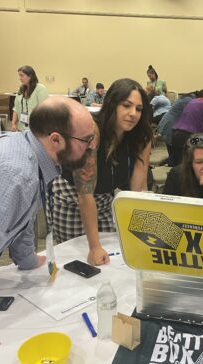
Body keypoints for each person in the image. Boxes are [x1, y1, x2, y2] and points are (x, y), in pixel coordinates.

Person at [51, 78, 152, 266]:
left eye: (138, 109)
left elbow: (138, 191)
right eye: (126, 105)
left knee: (110, 260)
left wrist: (145, 236)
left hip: (105, 202)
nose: (133, 114)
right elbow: (85, 193)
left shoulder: (141, 138)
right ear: (112, 104)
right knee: (80, 261)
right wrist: (94, 247)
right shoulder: (91, 131)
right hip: (73, 201)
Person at [0, 96, 95, 270]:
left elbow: (22, 218)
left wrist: (28, 260)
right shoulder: (19, 176)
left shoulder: (27, 150)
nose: (92, 147)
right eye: (86, 140)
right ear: (56, 140)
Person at [11, 65, 48, 132]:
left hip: (35, 129)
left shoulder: (40, 89)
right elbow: (16, 108)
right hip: (21, 128)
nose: (20, 78)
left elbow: (44, 111)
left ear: (30, 76)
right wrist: (13, 124)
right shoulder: (20, 89)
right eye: (19, 76)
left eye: (22, 75)